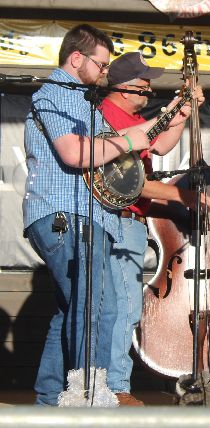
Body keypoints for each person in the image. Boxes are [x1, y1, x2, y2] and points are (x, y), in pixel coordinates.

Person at [22, 24, 149, 406]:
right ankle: (86, 396)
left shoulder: (84, 102)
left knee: (74, 308)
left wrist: (165, 123)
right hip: (66, 215)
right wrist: (128, 139)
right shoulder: (54, 94)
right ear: (77, 59)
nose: (105, 72)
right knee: (97, 308)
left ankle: (48, 400)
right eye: (102, 64)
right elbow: (74, 153)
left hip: (88, 218)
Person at [100, 52, 206, 406]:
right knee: (124, 307)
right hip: (118, 219)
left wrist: (181, 114)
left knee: (121, 306)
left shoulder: (129, 118)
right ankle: (115, 387)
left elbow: (159, 144)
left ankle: (112, 385)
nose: (148, 92)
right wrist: (182, 195)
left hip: (129, 223)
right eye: (144, 85)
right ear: (124, 86)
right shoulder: (110, 118)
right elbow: (134, 185)